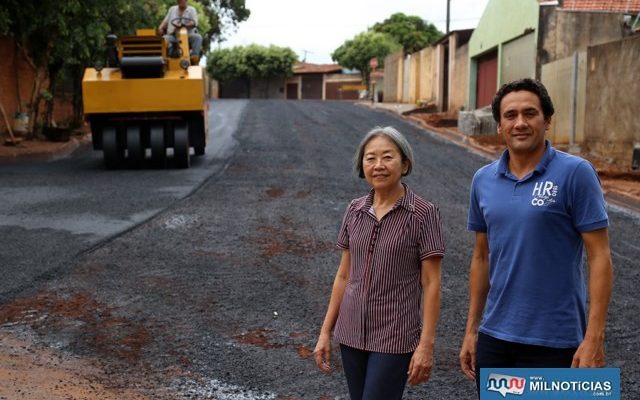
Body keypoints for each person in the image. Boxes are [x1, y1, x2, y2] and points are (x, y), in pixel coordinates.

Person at [459, 78, 614, 393]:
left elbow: (600, 256)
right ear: (500, 126)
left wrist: (594, 338)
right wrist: (472, 330)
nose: (520, 123)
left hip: (557, 341)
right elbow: (481, 257)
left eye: (530, 113)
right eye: (510, 115)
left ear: (547, 121)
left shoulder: (576, 173)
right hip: (495, 339)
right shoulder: (483, 180)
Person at [314, 126, 445, 400]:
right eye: (370, 158)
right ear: (362, 165)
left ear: (405, 163)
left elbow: (431, 283)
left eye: (388, 157)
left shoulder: (423, 214)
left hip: (394, 335)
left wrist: (426, 345)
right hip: (350, 332)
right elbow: (343, 275)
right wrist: (326, 332)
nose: (379, 165)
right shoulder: (355, 209)